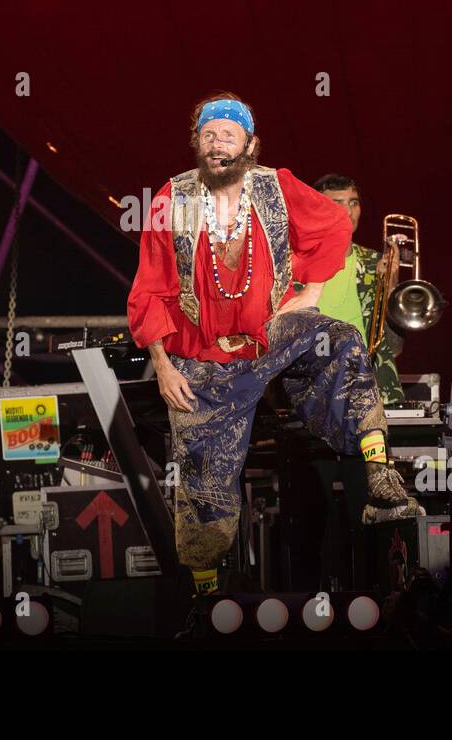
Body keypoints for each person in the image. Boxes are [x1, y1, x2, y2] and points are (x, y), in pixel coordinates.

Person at [127, 93, 422, 597]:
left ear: (250, 144)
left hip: (271, 336)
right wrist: (163, 364)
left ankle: (380, 475)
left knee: (342, 339)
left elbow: (333, 224)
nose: (216, 142)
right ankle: (205, 600)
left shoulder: (275, 187)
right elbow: (148, 287)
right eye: (207, 133)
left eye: (228, 134)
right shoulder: (169, 199)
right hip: (203, 356)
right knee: (202, 486)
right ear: (196, 142)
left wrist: (309, 295)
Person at [310, 173, 406, 406]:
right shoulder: (296, 264)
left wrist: (391, 285)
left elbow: (393, 348)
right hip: (315, 388)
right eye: (337, 204)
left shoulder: (374, 262)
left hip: (370, 389)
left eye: (353, 203)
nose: (348, 212)